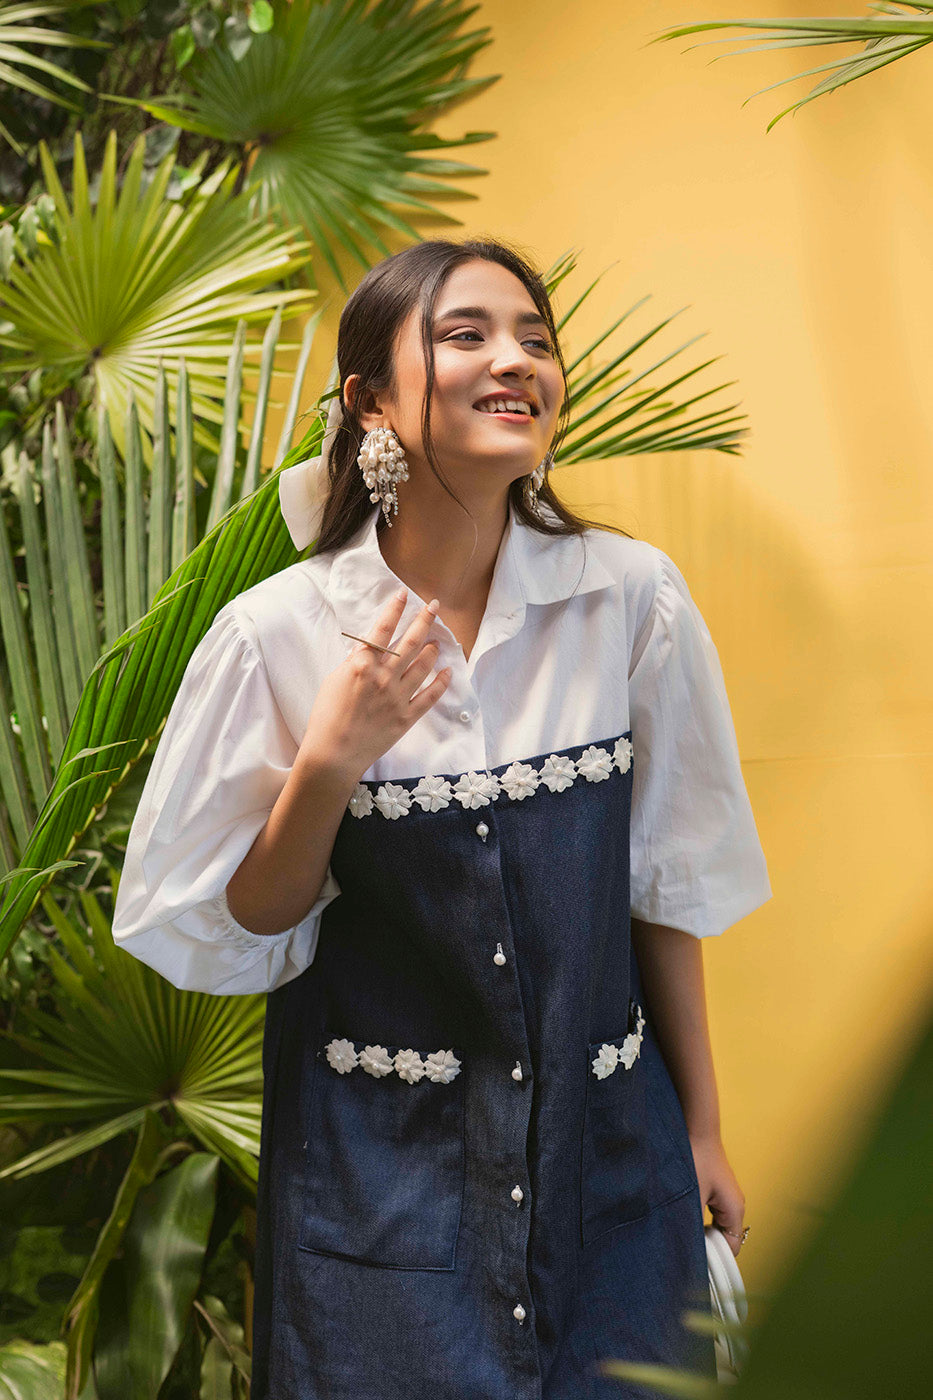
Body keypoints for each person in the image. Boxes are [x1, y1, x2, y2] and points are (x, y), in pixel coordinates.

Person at [112, 236, 772, 1399]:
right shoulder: (279, 635)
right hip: (380, 1191)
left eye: (535, 336)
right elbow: (248, 923)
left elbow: (664, 885)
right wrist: (333, 754)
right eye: (466, 333)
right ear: (370, 398)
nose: (515, 358)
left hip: (613, 1164)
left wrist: (703, 1127)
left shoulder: (628, 598)